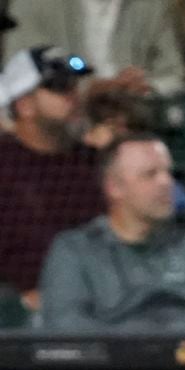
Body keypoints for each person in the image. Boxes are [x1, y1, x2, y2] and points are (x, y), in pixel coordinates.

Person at [39, 131, 185, 332]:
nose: (166, 182)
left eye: (168, 172)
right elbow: (66, 327)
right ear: (115, 187)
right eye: (150, 175)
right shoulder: (75, 251)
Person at [0, 46, 103, 307]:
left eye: (74, 86)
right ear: (24, 106)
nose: (73, 96)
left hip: (102, 301)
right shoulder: (5, 164)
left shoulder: (96, 160)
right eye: (59, 87)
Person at [3, 0, 185, 95]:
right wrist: (84, 91)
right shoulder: (34, 4)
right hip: (64, 122)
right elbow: (19, 80)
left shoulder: (153, 5)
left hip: (134, 119)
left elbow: (174, 74)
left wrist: (148, 87)